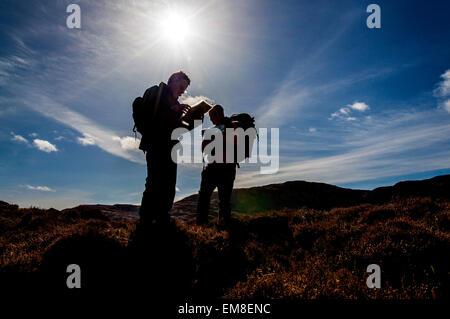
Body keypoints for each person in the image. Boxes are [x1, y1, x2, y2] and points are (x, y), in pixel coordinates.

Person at [137, 71, 191, 232]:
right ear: (173, 81)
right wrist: (174, 109)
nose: (182, 91)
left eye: (185, 89)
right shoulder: (156, 92)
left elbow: (176, 129)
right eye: (181, 86)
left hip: (170, 146)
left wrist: (193, 119)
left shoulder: (175, 102)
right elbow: (153, 117)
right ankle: (145, 222)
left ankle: (162, 218)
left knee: (168, 184)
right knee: (154, 182)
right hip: (156, 144)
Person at [196, 104, 238, 225]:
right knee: (223, 200)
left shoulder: (231, 126)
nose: (210, 119)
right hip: (225, 168)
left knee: (206, 198)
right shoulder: (229, 127)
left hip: (217, 168)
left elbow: (204, 147)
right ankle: (222, 226)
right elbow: (203, 147)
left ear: (218, 114)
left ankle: (202, 225)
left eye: (211, 116)